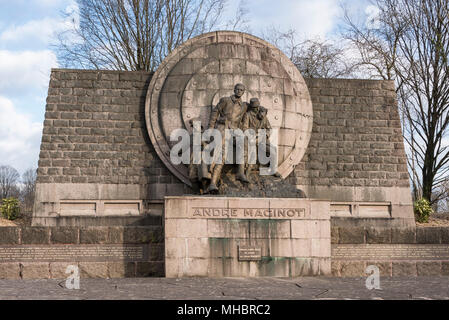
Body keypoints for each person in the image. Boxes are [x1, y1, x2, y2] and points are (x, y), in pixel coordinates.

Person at [206, 83, 249, 194]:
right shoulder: (225, 100)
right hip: (223, 128)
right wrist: (210, 129)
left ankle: (240, 172)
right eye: (237, 89)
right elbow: (215, 112)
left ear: (244, 92)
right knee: (221, 155)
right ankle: (213, 183)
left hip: (235, 130)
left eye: (241, 90)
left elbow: (245, 121)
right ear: (234, 90)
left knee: (244, 143)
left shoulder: (244, 106)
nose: (239, 91)